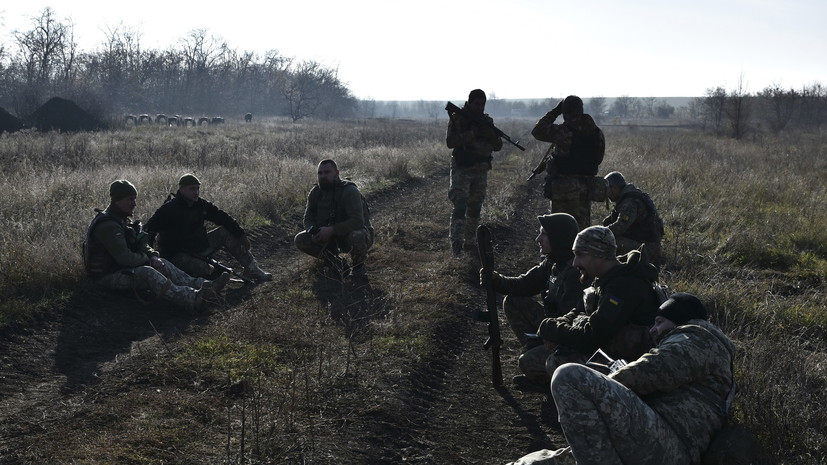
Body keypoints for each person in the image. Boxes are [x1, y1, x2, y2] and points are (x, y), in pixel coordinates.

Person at [505, 293, 736, 465]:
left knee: (569, 376)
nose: (653, 331)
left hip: (668, 445)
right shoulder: (697, 345)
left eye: (659, 322)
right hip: (651, 439)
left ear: (680, 320)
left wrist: (606, 382)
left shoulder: (699, 337)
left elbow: (649, 372)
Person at [83, 180, 230, 311]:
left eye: (134, 198)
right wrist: (147, 260)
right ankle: (192, 299)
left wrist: (153, 255)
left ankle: (204, 286)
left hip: (120, 269)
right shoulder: (109, 226)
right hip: (106, 277)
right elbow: (125, 258)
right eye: (129, 199)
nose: (134, 203)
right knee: (148, 272)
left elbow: (140, 244)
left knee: (162, 263)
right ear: (117, 200)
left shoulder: (121, 220)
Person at [535, 225, 661, 378]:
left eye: (580, 255)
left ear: (600, 255)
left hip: (630, 364)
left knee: (558, 362)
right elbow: (579, 310)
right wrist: (560, 323)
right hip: (605, 349)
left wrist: (550, 328)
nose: (575, 263)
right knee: (531, 361)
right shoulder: (603, 278)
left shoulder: (623, 286)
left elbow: (592, 337)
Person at [479, 213, 586, 387]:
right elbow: (524, 284)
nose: (538, 239)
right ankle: (536, 350)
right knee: (513, 301)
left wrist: (550, 337)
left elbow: (573, 325)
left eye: (544, 234)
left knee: (526, 362)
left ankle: (549, 377)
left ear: (558, 237)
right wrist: (497, 281)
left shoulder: (575, 273)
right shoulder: (552, 262)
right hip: (552, 327)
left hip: (567, 337)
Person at [145, 173, 271, 283]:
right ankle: (205, 281)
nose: (196, 192)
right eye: (192, 189)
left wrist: (241, 236)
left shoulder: (201, 205)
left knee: (224, 232)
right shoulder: (168, 209)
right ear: (182, 189)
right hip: (177, 255)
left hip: (199, 248)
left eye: (198, 189)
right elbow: (148, 231)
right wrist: (151, 258)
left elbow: (223, 217)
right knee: (203, 268)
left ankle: (253, 269)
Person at [531, 95, 605, 231]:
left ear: (565, 113)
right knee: (580, 230)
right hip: (585, 188)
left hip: (562, 189)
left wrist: (555, 111)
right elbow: (598, 159)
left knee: (559, 230)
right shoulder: (597, 133)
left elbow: (537, 131)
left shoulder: (563, 132)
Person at [446, 89, 503, 257]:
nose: (480, 107)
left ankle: (470, 243)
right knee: (460, 207)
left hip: (481, 170)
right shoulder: (458, 119)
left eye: (483, 104)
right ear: (469, 103)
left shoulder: (487, 121)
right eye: (477, 104)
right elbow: (450, 142)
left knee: (475, 209)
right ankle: (457, 245)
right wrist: (473, 133)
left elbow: (498, 146)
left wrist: (490, 135)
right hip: (462, 169)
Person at [294, 159, 374, 280]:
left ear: (336, 173)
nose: (323, 176)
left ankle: (358, 267)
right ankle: (336, 263)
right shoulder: (315, 193)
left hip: (355, 235)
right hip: (329, 237)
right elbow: (308, 218)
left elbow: (358, 221)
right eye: (320, 173)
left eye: (327, 172)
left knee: (356, 235)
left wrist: (332, 230)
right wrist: (312, 231)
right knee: (300, 239)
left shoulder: (350, 191)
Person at [602, 171, 665, 266]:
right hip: (643, 242)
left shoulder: (629, 202)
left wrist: (601, 234)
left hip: (647, 247)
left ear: (614, 187)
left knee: (611, 243)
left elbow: (620, 227)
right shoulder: (629, 197)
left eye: (607, 190)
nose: (607, 195)